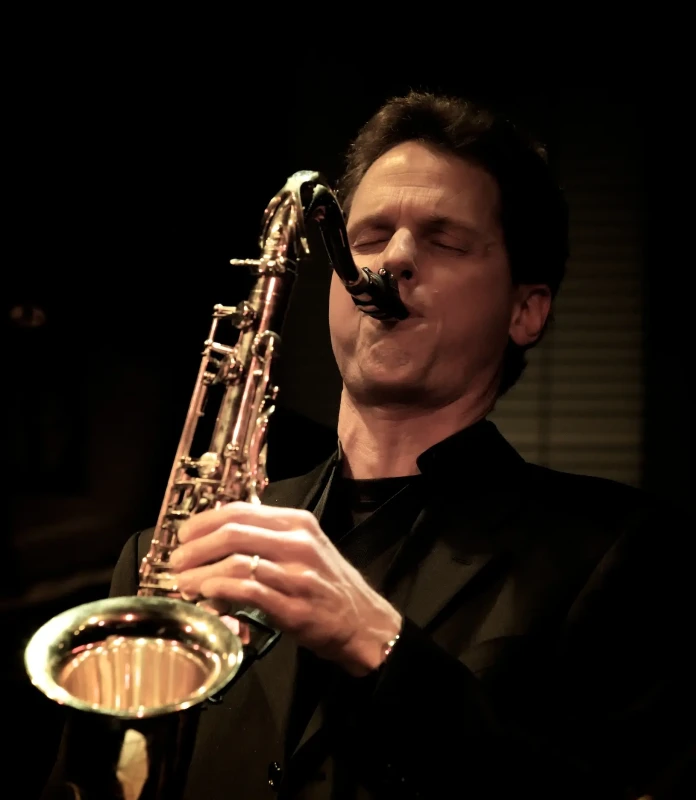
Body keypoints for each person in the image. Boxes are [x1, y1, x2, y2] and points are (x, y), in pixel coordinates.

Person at [45, 91, 693, 799]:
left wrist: (379, 643)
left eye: (445, 241)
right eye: (369, 237)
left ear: (525, 310)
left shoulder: (617, 553)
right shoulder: (169, 553)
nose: (396, 260)